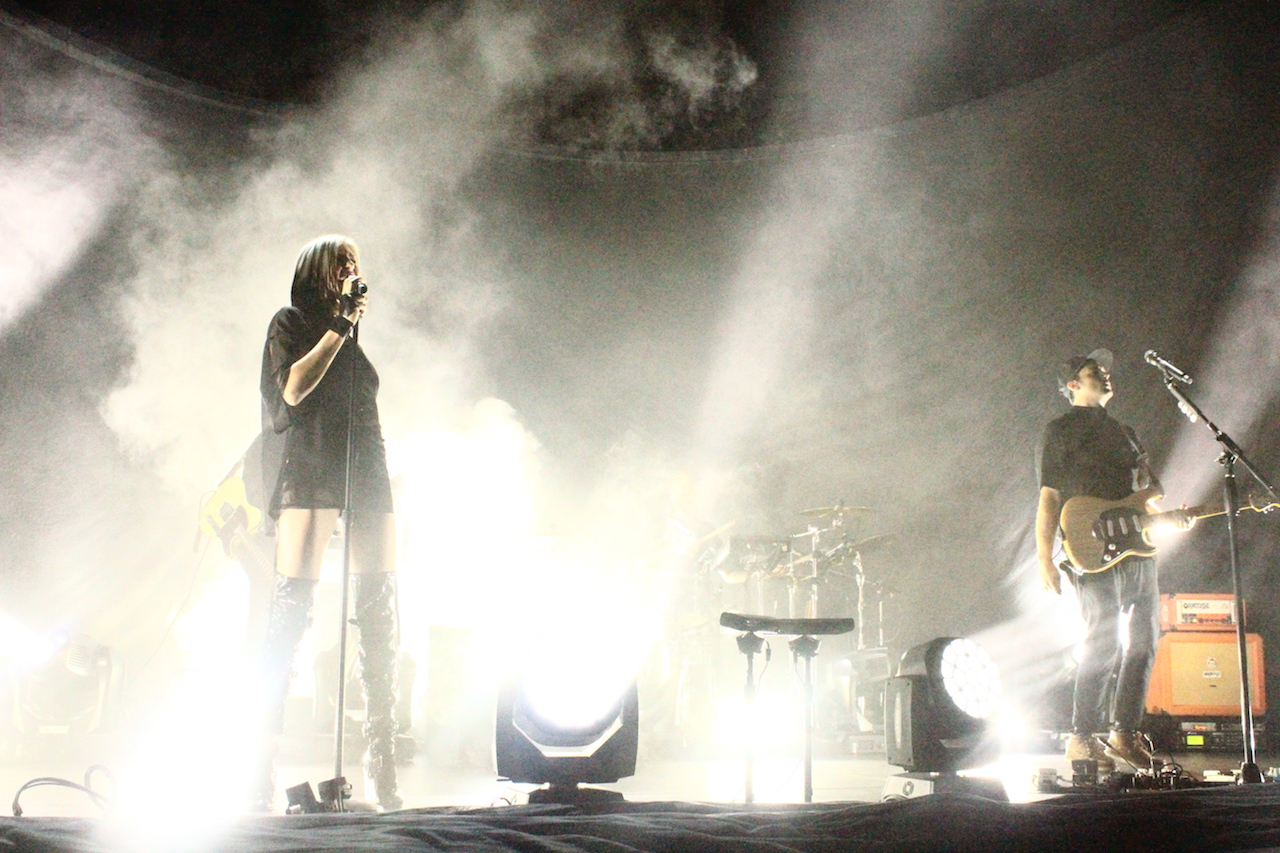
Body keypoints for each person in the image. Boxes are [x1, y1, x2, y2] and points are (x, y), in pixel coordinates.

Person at [253, 235, 401, 810]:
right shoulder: (291, 322)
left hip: (367, 464)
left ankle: (383, 756)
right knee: (291, 609)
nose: (351, 269)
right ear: (316, 269)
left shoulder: (353, 335)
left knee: (380, 607)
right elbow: (292, 391)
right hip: (313, 462)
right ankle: (259, 757)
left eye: (355, 262)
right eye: (341, 262)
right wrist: (339, 326)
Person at [1036, 348, 1191, 772]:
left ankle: (1124, 733)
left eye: (1105, 370)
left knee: (1145, 641)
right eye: (1093, 371)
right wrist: (1044, 558)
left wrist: (1169, 518)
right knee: (1103, 643)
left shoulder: (1126, 432)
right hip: (1090, 546)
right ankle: (1081, 738)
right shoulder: (1060, 430)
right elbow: (1049, 497)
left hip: (1137, 548)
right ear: (1073, 384)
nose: (1104, 374)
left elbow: (1142, 496)